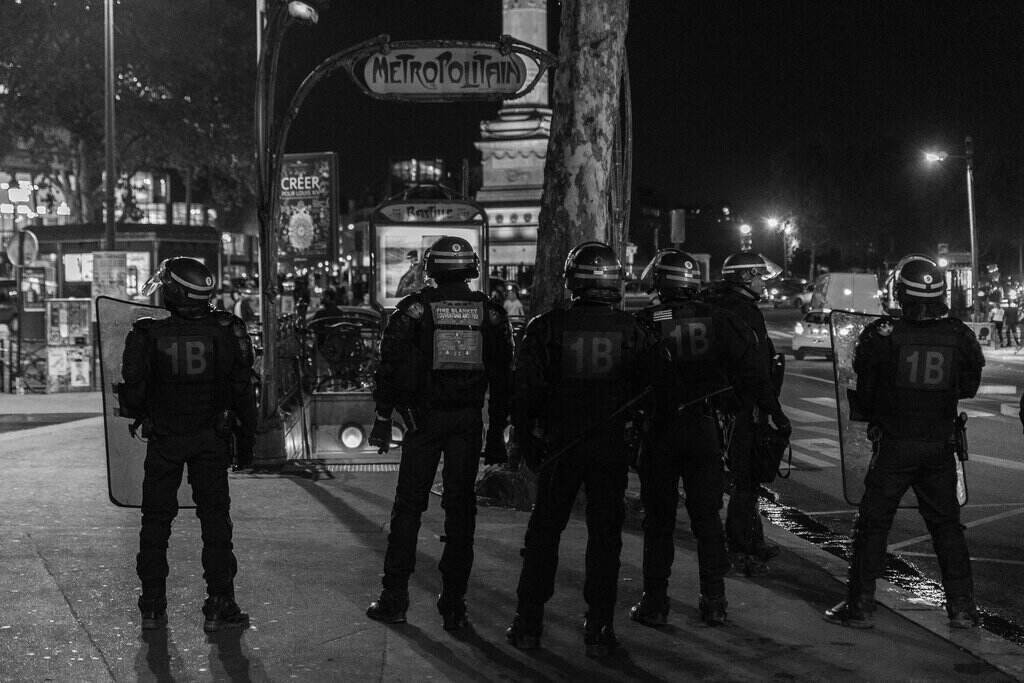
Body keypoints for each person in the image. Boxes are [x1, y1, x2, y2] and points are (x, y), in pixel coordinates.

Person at [505, 241, 652, 657]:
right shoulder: (634, 330)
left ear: (571, 281)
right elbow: (651, 392)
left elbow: (524, 393)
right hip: (609, 448)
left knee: (544, 534)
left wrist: (526, 441)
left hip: (560, 445)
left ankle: (528, 622)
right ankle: (600, 627)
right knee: (605, 538)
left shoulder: (546, 327)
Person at [631, 249, 790, 628]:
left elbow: (628, 379)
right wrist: (757, 411)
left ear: (660, 282)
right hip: (704, 431)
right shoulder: (722, 320)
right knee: (707, 519)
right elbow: (753, 373)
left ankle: (655, 602)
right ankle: (714, 601)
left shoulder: (647, 321)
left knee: (659, 522)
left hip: (659, 431)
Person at [825, 257, 984, 629]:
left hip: (895, 445)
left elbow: (864, 392)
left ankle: (859, 604)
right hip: (939, 446)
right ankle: (962, 608)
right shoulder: (959, 334)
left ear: (900, 293)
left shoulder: (881, 335)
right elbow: (969, 387)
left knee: (873, 524)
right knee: (947, 528)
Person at [366, 236, 513, 632]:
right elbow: (504, 380)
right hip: (468, 423)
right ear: (471, 269)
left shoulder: (413, 311)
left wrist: (383, 417)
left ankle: (394, 598)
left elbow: (388, 368)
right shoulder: (491, 314)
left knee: (408, 509)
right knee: (461, 513)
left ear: (431, 268)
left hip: (423, 423)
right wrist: (497, 435)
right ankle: (454, 606)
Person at [117, 257, 257, 633]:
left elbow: (133, 395)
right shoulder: (228, 329)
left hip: (165, 440)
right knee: (215, 522)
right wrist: (248, 442)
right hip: (211, 439)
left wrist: (145, 411)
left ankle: (152, 605)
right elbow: (243, 392)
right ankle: (220, 602)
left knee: (155, 523)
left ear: (175, 293)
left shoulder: (147, 334)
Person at [704, 251, 785, 576]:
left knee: (741, 479)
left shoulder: (717, 305)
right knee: (746, 479)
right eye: (760, 276)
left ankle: (751, 540)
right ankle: (740, 548)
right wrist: (774, 410)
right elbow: (755, 368)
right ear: (745, 277)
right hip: (741, 408)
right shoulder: (744, 312)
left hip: (719, 406)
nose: (763, 282)